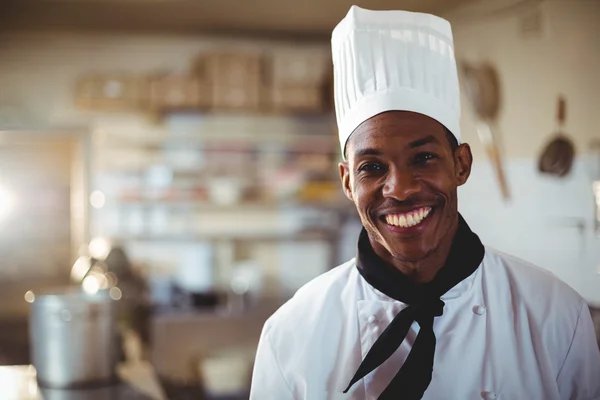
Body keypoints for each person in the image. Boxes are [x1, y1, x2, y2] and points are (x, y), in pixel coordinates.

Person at [250, 5, 600, 400]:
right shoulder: (292, 335)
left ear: (461, 164)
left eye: (423, 157)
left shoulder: (555, 316)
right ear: (348, 182)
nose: (398, 189)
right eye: (373, 167)